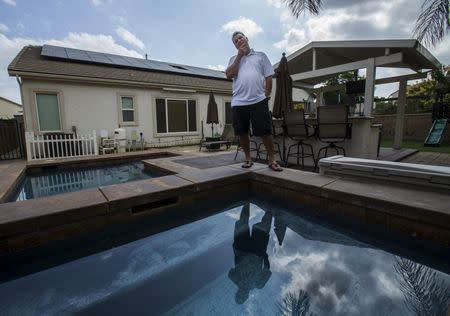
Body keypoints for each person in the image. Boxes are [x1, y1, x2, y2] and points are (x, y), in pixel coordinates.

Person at [225, 31, 283, 171]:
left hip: (259, 100)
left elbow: (269, 76)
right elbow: (229, 75)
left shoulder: (260, 56)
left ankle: (272, 160)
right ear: (235, 45)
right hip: (239, 102)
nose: (238, 41)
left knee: (265, 132)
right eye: (235, 41)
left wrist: (267, 95)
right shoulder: (233, 59)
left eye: (240, 38)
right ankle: (248, 159)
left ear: (247, 38)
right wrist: (239, 56)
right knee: (242, 132)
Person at [228, 203, 273, 304]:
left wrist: (264, 255)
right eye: (242, 296)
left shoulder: (257, 284)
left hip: (246, 250)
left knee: (247, 223)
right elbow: (267, 269)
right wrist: (264, 255)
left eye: (240, 295)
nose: (242, 293)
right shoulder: (257, 284)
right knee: (250, 223)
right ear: (246, 296)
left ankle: (250, 202)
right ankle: (254, 203)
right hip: (247, 250)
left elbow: (267, 269)